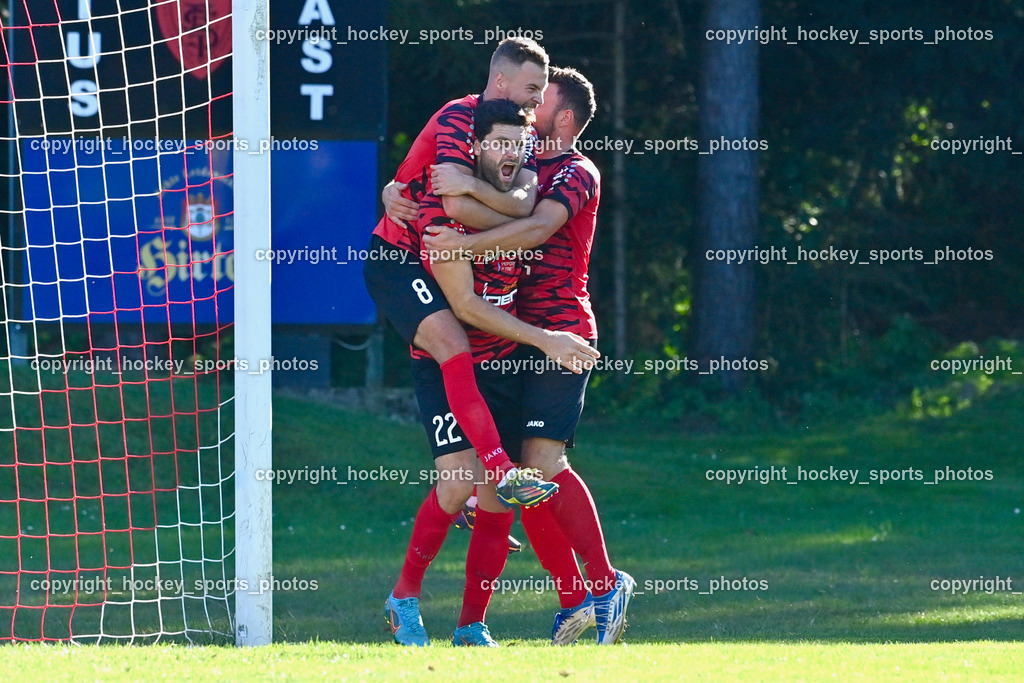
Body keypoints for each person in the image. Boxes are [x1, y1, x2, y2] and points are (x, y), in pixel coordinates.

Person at [423, 67, 634, 645]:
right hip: (516, 334)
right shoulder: (525, 168)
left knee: (543, 465)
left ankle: (606, 583)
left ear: (564, 118)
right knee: (519, 480)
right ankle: (573, 601)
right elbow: (460, 191)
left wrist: (463, 243)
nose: (530, 111)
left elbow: (537, 229)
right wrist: (400, 192)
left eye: (542, 105)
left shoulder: (576, 171)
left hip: (560, 330)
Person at [378, 99, 596, 647]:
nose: (509, 152)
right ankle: (403, 597)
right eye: (496, 142)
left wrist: (495, 200)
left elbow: (534, 223)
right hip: (449, 367)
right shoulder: (439, 213)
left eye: (516, 143)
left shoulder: (525, 187)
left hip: (500, 364)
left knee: (500, 501)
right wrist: (549, 340)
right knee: (456, 487)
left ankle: (471, 625)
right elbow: (470, 308)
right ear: (474, 146)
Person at [366, 37, 597, 508]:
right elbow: (454, 204)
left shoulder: (522, 134)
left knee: (458, 474)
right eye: (533, 87)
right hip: (400, 255)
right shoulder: (460, 115)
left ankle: (475, 493)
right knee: (453, 342)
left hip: (441, 253)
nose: (537, 99)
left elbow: (524, 205)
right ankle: (497, 472)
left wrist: (498, 208)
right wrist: (515, 221)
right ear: (501, 81)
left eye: (543, 92)